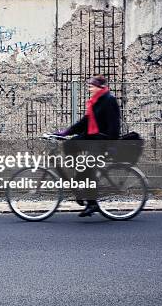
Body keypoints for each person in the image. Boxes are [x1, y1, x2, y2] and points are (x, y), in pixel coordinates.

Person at [56, 75, 121, 217]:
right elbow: (85, 122)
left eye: (91, 86)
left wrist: (111, 144)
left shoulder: (109, 100)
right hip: (91, 137)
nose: (89, 88)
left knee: (88, 166)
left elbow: (114, 125)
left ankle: (92, 204)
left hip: (102, 140)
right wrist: (65, 132)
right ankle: (80, 180)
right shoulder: (95, 101)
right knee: (69, 146)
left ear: (99, 87)